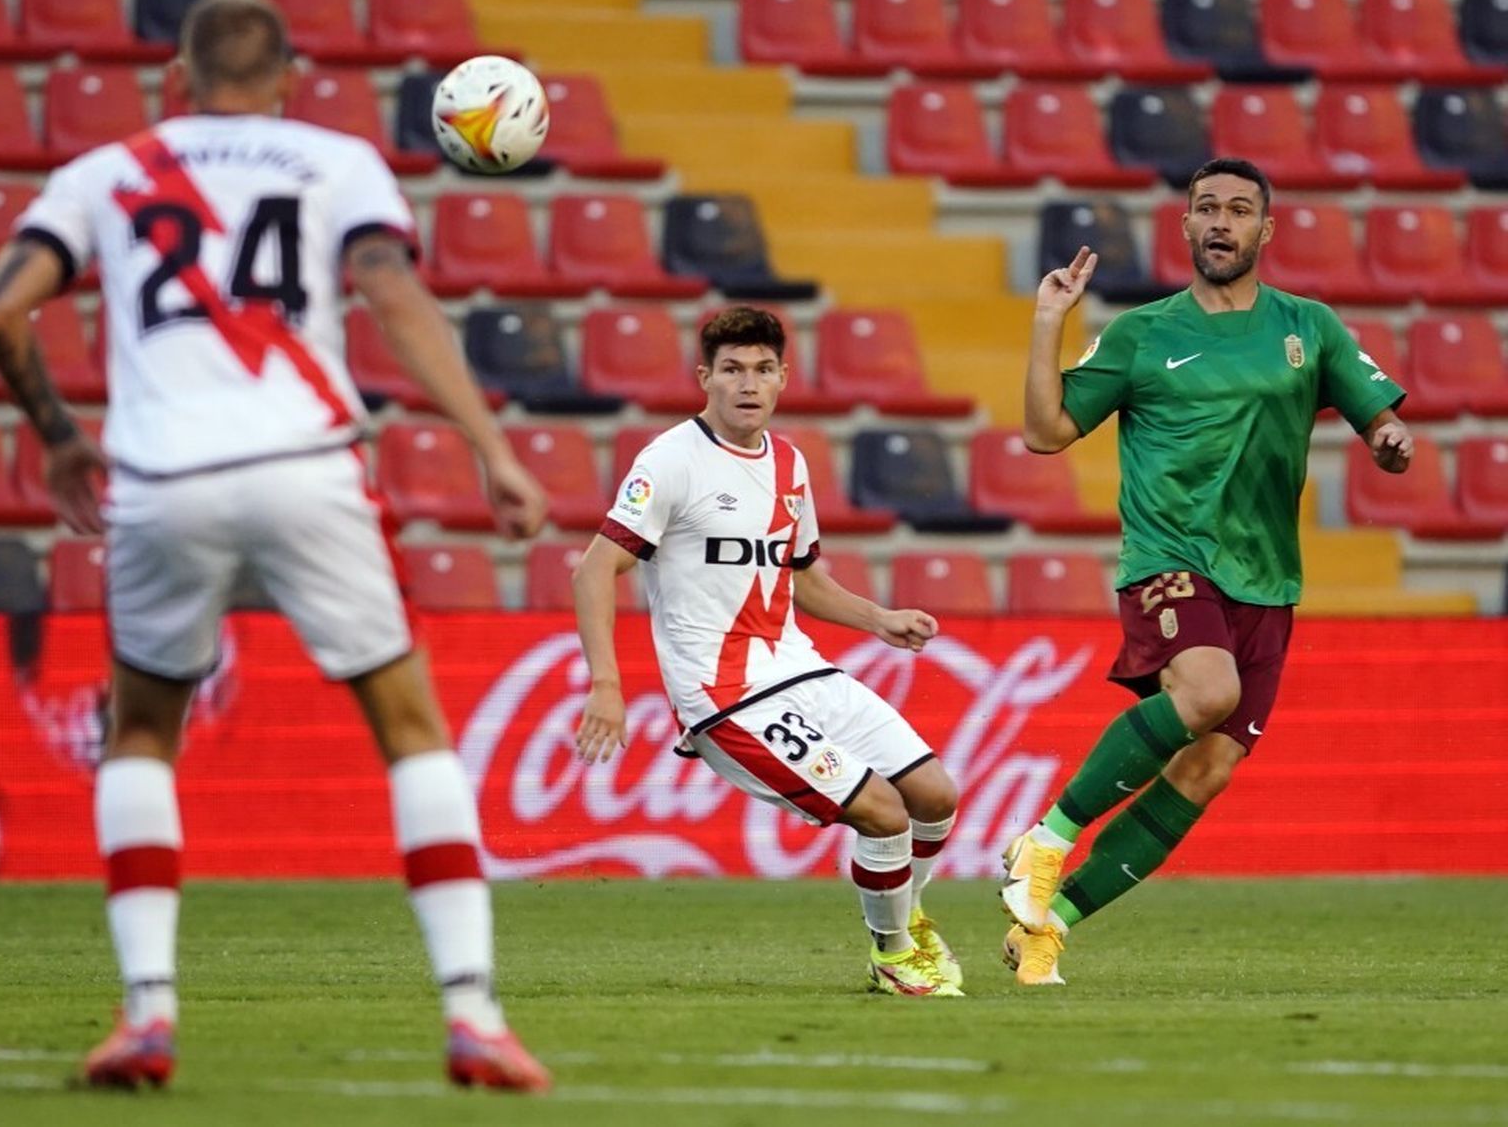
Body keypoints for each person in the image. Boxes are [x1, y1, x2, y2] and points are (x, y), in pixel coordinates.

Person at [0, 0, 551, 1093]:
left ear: (176, 82)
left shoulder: (104, 174)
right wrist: (490, 446)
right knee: (410, 722)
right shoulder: (334, 163)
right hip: (304, 467)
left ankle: (147, 1012)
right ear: (288, 81)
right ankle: (473, 1010)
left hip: (159, 479)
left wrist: (56, 436)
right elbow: (393, 294)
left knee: (141, 729)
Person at [1000, 157, 1413, 985]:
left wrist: (1387, 439)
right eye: (1205, 209)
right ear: (1185, 227)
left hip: (1266, 576)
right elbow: (1046, 432)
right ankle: (1044, 837)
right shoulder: (1142, 335)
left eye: (1238, 210)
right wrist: (1049, 320)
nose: (1220, 222)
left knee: (1208, 766)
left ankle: (1051, 922)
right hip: (1169, 557)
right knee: (1208, 692)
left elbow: (1383, 419)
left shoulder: (1310, 326)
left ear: (1266, 228)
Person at [571, 306, 965, 997]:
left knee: (935, 794)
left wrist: (878, 619)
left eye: (761, 369)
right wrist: (607, 682)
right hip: (723, 693)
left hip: (795, 663)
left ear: (783, 378)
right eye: (731, 370)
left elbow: (803, 575)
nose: (747, 384)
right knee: (881, 810)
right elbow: (594, 568)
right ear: (705, 379)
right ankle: (895, 954)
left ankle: (908, 917)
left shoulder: (789, 462)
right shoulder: (669, 460)